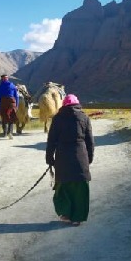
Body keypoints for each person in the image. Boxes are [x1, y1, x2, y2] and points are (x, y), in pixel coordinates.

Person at [45, 93, 94, 226]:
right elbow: (90, 141)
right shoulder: (84, 117)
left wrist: (49, 158)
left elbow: (51, 141)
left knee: (63, 187)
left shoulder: (57, 118)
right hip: (80, 157)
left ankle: (65, 214)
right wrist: (89, 158)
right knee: (80, 189)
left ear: (64, 105)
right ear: (77, 104)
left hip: (62, 158)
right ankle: (77, 217)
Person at [0, 74, 19, 139]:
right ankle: (10, 133)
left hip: (3, 103)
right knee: (11, 117)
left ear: (2, 79)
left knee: (4, 117)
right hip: (12, 103)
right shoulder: (13, 85)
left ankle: (5, 133)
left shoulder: (0, 87)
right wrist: (16, 105)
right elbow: (16, 96)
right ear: (7, 79)